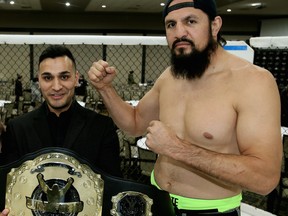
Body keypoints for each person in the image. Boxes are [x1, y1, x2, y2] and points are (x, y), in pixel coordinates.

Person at [88, 0, 282, 215]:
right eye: (171, 24)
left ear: (215, 25)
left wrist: (176, 149)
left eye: (190, 21)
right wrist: (105, 88)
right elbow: (134, 124)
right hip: (157, 203)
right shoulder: (170, 76)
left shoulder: (253, 81)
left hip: (210, 211)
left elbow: (265, 179)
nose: (179, 32)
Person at [0, 45, 121, 174]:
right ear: (39, 81)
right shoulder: (18, 129)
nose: (56, 87)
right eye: (47, 78)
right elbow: (9, 184)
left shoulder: (102, 127)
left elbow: (111, 185)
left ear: (76, 78)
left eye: (64, 77)